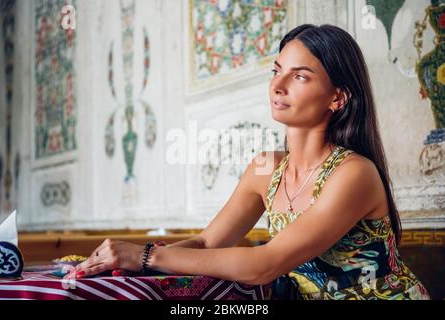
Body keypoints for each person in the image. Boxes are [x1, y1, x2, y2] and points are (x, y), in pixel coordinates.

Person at [68, 24, 430, 300]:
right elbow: (209, 243)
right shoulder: (265, 169)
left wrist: (147, 257)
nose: (278, 85)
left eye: (299, 76)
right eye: (276, 71)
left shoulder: (354, 173)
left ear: (338, 97)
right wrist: (122, 265)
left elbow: (266, 264)